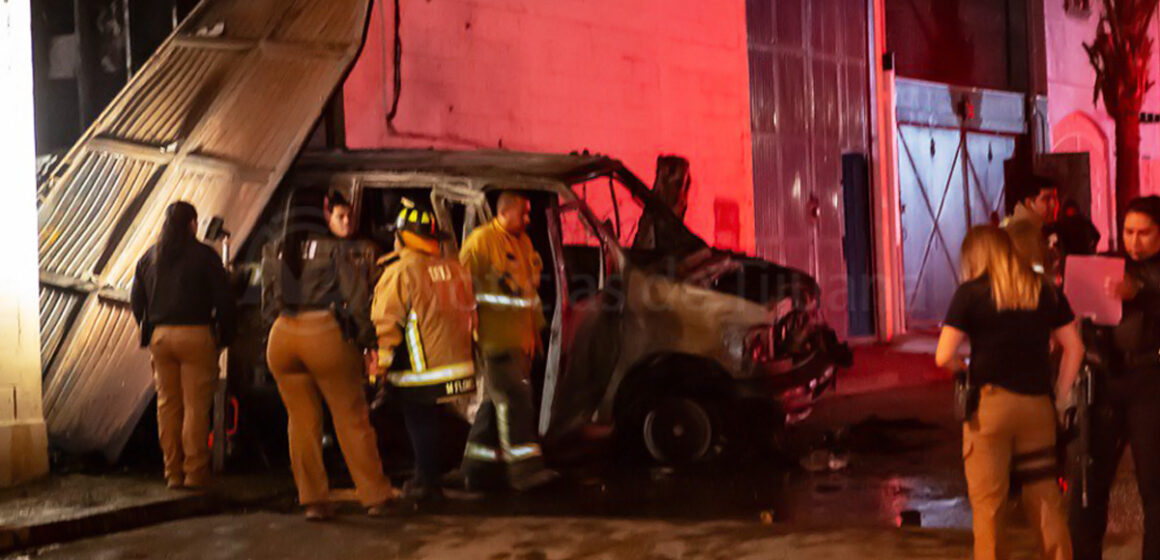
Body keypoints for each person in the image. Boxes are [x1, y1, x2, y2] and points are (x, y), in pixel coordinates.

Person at [936, 225, 1082, 560]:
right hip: (1037, 407)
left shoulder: (970, 294)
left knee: (989, 505)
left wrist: (965, 370)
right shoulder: (1044, 290)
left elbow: (944, 356)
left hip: (990, 408)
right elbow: (1074, 348)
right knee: (1045, 498)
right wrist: (1060, 394)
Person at [261, 189, 395, 520]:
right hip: (324, 332)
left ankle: (314, 501)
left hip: (281, 337)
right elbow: (358, 297)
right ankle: (375, 495)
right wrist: (368, 343)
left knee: (301, 422)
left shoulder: (273, 249)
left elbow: (266, 302)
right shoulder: (335, 249)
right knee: (351, 418)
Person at [1069, 195, 1160, 560]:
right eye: (1128, 232)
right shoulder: (1107, 262)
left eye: (1145, 233)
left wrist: (1140, 290)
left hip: (1150, 380)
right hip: (1104, 380)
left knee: (1153, 485)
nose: (1135, 241)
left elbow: (1148, 285)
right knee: (1088, 483)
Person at [371, 204, 476, 502]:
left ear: (403, 238)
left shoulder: (401, 271)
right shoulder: (455, 267)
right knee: (430, 418)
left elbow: (387, 323)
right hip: (455, 364)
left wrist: (378, 369)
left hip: (421, 369)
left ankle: (427, 481)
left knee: (418, 418)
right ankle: (427, 473)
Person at [130, 201, 236, 490]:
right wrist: (225, 335)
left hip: (160, 338)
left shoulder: (150, 258)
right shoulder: (204, 256)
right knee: (195, 407)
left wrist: (148, 325)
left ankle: (172, 472)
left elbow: (136, 301)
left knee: (167, 407)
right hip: (196, 335)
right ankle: (195, 471)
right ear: (192, 224)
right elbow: (224, 299)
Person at [459, 191, 557, 491]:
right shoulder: (480, 242)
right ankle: (525, 472)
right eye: (523, 213)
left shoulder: (523, 243)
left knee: (493, 404)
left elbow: (529, 296)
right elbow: (461, 287)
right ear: (505, 212)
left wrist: (539, 332)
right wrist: (469, 331)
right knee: (515, 402)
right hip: (495, 340)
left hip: (520, 340)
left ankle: (475, 469)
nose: (528, 219)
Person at [1003, 175, 1061, 276]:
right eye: (1046, 199)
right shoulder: (1023, 233)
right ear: (1029, 203)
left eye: (1055, 198)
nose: (1054, 204)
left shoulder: (1037, 229)